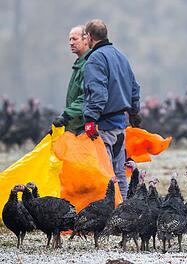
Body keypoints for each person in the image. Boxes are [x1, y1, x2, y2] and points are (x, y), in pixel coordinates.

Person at [83, 19, 142, 200]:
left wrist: (90, 119)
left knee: (106, 173)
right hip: (120, 125)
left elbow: (99, 93)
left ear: (90, 36)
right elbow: (134, 87)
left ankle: (110, 215)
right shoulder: (121, 56)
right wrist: (134, 112)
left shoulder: (95, 59)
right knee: (120, 174)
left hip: (105, 126)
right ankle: (122, 210)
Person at [52, 25, 90, 133]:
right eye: (70, 39)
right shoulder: (79, 64)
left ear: (86, 39)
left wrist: (66, 116)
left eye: (74, 39)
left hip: (84, 128)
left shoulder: (89, 64)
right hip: (76, 126)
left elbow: (86, 97)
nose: (71, 43)